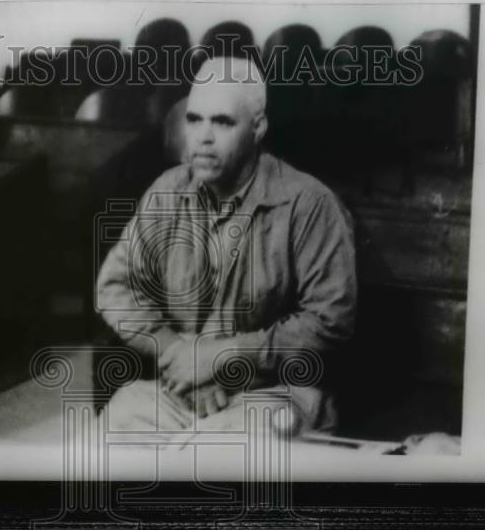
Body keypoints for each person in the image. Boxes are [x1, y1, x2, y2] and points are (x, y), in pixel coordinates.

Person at [95, 55, 357, 442]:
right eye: (194, 119)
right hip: (180, 386)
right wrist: (176, 355)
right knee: (107, 437)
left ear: (258, 127)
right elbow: (115, 287)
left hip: (272, 394)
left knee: (220, 460)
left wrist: (223, 356)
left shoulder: (310, 203)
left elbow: (329, 323)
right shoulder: (169, 190)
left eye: (222, 122)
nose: (202, 137)